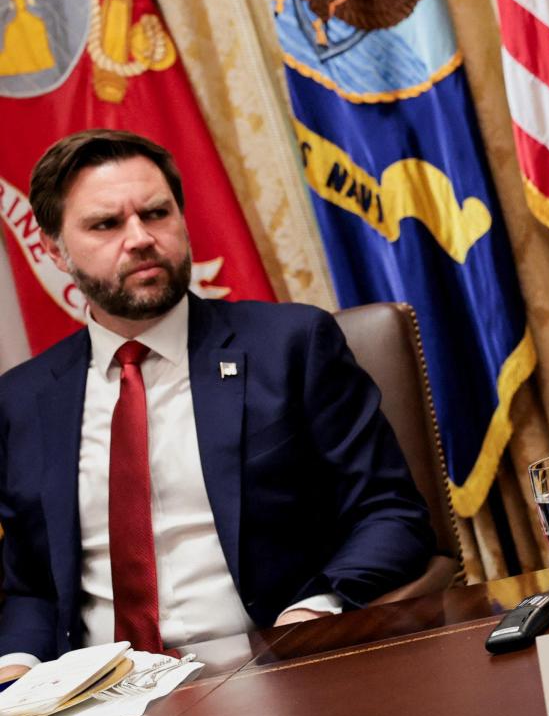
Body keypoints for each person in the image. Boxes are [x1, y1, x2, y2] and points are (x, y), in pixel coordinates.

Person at [0, 130, 435, 674]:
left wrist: (312, 613)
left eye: (156, 213)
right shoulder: (22, 401)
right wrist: (14, 665)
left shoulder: (290, 346)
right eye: (106, 224)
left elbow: (390, 513)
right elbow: (32, 586)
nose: (139, 238)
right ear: (53, 249)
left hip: (268, 671)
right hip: (102, 699)